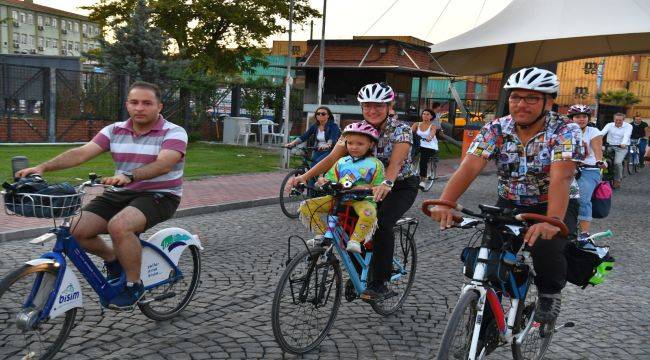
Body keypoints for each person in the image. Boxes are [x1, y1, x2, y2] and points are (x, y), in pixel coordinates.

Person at [426, 67, 584, 324]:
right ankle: (485, 323)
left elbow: (561, 178)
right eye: (515, 97)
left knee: (546, 247)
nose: (521, 104)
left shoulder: (565, 131)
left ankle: (549, 292)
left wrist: (551, 220)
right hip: (510, 200)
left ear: (549, 101)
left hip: (553, 202)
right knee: (490, 257)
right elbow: (469, 166)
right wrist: (445, 202)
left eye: (531, 98)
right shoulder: (496, 129)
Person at [16, 81, 188, 307]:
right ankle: (113, 258)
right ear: (127, 105)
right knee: (75, 230)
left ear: (159, 106)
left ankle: (133, 285)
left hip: (160, 194)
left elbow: (164, 164)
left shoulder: (174, 132)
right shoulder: (114, 130)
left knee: (120, 226)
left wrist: (130, 176)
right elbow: (82, 152)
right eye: (134, 102)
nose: (139, 108)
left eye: (147, 103)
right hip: (120, 191)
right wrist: (43, 168)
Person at [288, 82, 418, 302]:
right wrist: (304, 177)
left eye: (378, 105)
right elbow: (332, 158)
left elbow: (396, 163)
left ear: (389, 106)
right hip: (360, 187)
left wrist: (386, 183)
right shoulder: (353, 129)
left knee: (382, 223)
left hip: (400, 184)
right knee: (344, 225)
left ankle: (379, 283)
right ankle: (359, 273)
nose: (372, 110)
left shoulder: (401, 129)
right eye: (367, 106)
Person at [298, 122, 384, 254]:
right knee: (306, 207)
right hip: (338, 198)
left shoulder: (375, 164)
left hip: (361, 200)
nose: (354, 147)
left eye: (360, 144)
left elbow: (379, 185)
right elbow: (331, 178)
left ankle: (355, 240)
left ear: (371, 145)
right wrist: (323, 180)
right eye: (350, 143)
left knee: (369, 214)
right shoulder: (342, 162)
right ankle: (321, 234)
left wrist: (368, 187)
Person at [566, 105, 606, 240]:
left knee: (583, 199)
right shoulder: (565, 130)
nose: (581, 119)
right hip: (567, 168)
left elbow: (597, 148)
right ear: (572, 119)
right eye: (577, 117)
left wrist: (599, 160)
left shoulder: (593, 131)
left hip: (589, 169)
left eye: (584, 116)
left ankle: (584, 233)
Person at [600, 113, 632, 188]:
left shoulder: (628, 126)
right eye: (616, 120)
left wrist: (624, 143)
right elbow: (602, 133)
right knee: (600, 159)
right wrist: (596, 140)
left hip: (621, 147)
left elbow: (626, 135)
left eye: (620, 120)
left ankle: (617, 180)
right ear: (614, 119)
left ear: (623, 120)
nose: (618, 121)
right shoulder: (609, 125)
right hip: (609, 146)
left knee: (617, 163)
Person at [411, 108, 439, 189]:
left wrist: (429, 138)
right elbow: (410, 132)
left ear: (431, 117)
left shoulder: (432, 126)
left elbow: (432, 133)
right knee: (408, 156)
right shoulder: (417, 124)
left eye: (427, 114)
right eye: (424, 114)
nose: (425, 116)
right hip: (418, 144)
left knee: (423, 161)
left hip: (429, 145)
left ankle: (423, 181)